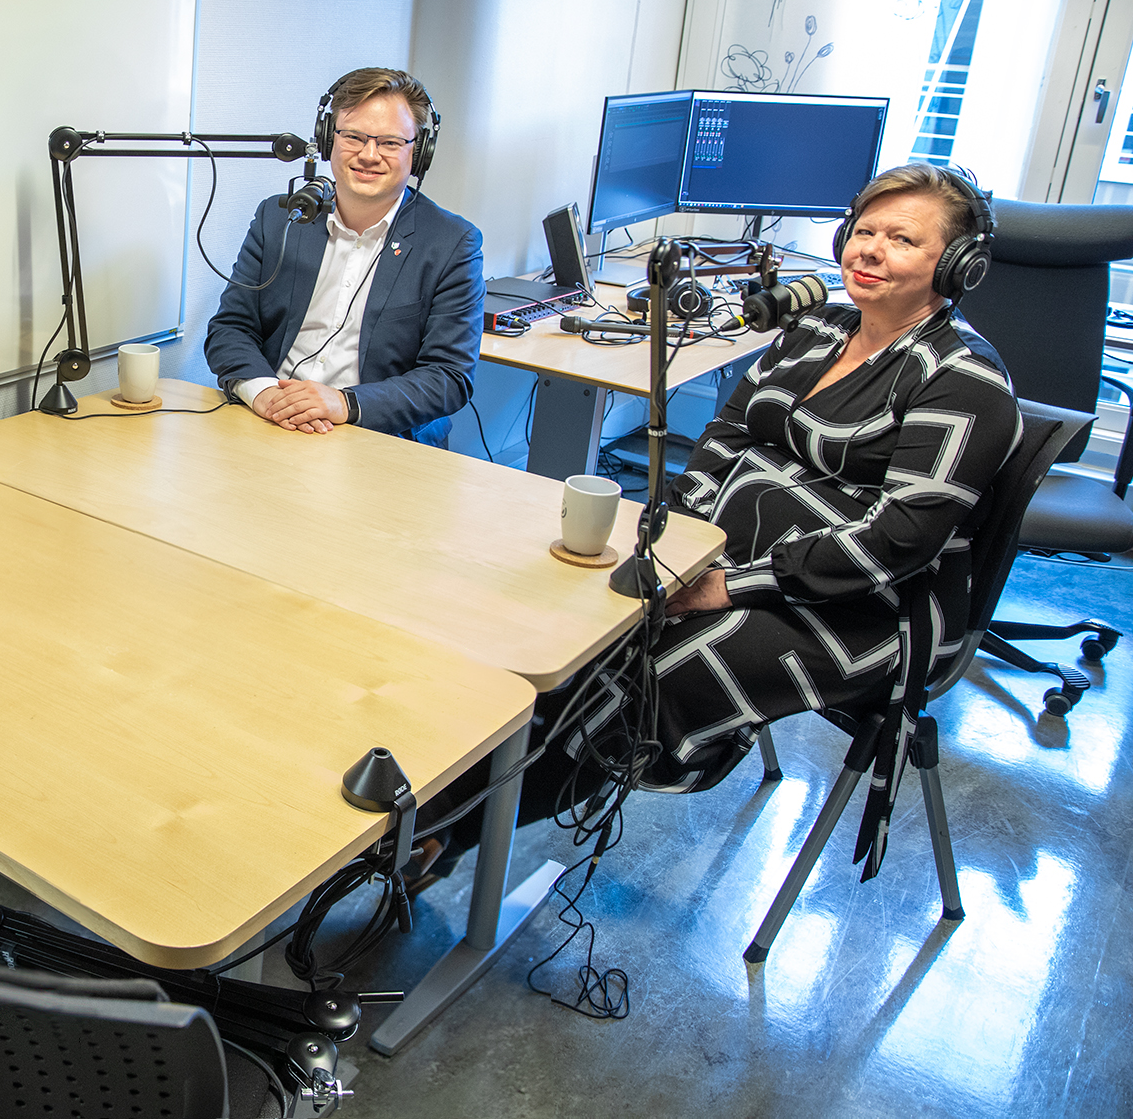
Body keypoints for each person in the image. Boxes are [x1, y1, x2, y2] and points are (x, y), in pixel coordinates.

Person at [411, 163, 1020, 881]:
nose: (870, 249)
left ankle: (446, 836)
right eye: (863, 231)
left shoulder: (964, 378)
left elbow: (897, 543)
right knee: (567, 621)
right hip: (726, 562)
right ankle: (443, 798)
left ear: (956, 264)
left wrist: (728, 586)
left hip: (867, 610)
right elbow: (726, 439)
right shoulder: (819, 327)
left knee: (647, 672)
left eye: (902, 239)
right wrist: (681, 539)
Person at [204, 68, 484, 447]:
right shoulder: (280, 218)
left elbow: (448, 376)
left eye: (389, 142)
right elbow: (230, 328)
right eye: (353, 137)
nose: (369, 155)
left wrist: (344, 403)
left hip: (379, 440)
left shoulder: (451, 243)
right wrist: (264, 393)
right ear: (326, 140)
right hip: (272, 425)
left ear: (417, 152)